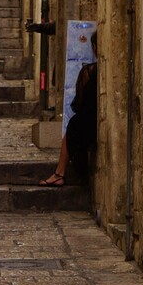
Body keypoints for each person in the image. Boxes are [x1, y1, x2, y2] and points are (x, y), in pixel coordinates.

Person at [39, 31, 98, 186]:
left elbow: (79, 103)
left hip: (87, 122)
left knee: (73, 125)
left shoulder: (89, 71)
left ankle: (59, 173)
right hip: (96, 121)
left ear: (94, 48)